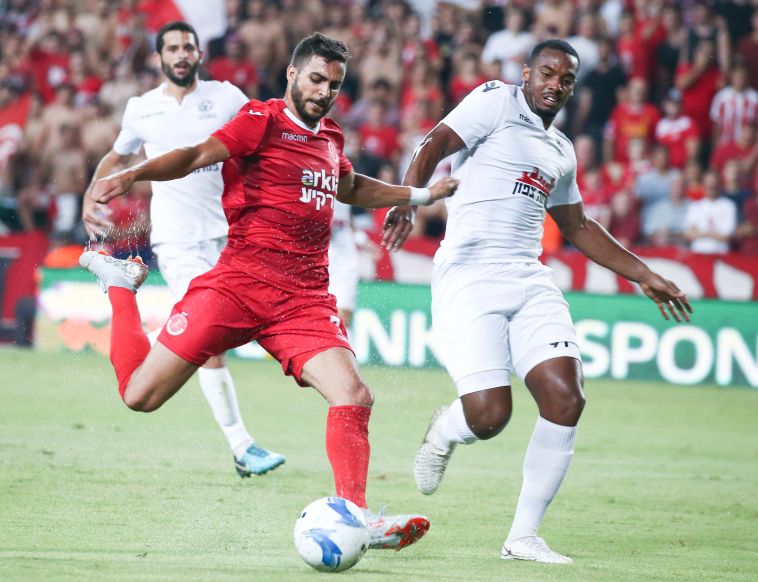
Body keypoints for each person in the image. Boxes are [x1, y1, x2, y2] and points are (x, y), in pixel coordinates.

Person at [80, 32, 458, 551]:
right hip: (238, 284)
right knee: (139, 396)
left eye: (334, 85)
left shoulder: (331, 137)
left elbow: (350, 187)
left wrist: (417, 195)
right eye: (316, 79)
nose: (324, 92)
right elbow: (196, 154)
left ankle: (356, 515)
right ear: (292, 74)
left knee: (354, 395)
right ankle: (120, 286)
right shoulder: (261, 119)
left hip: (303, 299)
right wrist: (135, 174)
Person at [382, 39, 692, 564]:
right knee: (489, 416)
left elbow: (578, 225)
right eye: (547, 73)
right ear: (527, 73)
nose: (555, 84)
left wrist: (644, 274)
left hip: (529, 276)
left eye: (566, 79)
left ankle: (522, 537)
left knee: (566, 397)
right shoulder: (495, 100)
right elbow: (434, 143)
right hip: (470, 274)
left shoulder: (562, 150)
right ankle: (444, 430)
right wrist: (410, 199)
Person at [81, 21, 285, 478]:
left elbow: (263, 139)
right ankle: (242, 446)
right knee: (209, 336)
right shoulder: (142, 109)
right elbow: (118, 156)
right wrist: (91, 193)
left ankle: (132, 303)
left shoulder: (226, 97)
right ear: (158, 58)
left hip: (232, 237)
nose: (180, 54)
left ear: (198, 54)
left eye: (187, 47)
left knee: (225, 328)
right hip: (177, 241)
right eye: (172, 48)